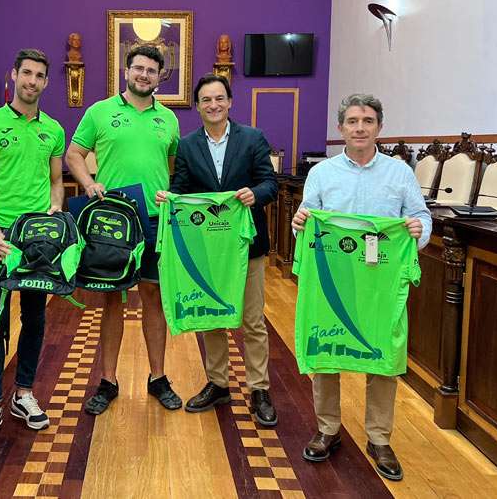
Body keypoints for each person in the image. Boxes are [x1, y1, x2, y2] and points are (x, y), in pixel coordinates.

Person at [291, 93, 431, 481]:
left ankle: (379, 437)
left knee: (383, 354)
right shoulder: (322, 174)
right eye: (352, 121)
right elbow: (304, 221)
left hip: (380, 280)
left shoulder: (400, 173)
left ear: (378, 128)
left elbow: (420, 215)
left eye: (367, 121)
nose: (359, 128)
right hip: (333, 278)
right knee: (327, 347)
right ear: (341, 128)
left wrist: (420, 231)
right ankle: (328, 429)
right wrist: (299, 223)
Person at [156, 74, 279, 425]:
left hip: (246, 246)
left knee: (253, 320)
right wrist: (171, 198)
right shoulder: (188, 144)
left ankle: (259, 389)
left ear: (229, 102)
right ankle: (218, 383)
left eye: (219, 98)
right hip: (206, 248)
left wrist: (256, 194)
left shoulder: (253, 138)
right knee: (212, 317)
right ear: (197, 106)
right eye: (206, 100)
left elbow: (270, 182)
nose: (213, 105)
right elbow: (181, 188)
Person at [66, 45, 182, 415]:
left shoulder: (169, 120)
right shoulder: (100, 112)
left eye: (151, 70)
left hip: (154, 220)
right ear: (126, 71)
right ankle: (108, 380)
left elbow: (173, 164)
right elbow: (73, 155)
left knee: (153, 299)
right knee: (111, 300)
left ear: (160, 77)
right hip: (112, 222)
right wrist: (87, 183)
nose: (144, 75)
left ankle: (158, 377)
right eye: (138, 68)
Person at [0, 49, 65, 446]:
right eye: (26, 73)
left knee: (35, 319)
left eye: (40, 76)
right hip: (0, 236)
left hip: (37, 240)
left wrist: (56, 208)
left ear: (45, 82)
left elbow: (57, 179)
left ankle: (23, 393)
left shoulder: (54, 130)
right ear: (14, 75)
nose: (32, 81)